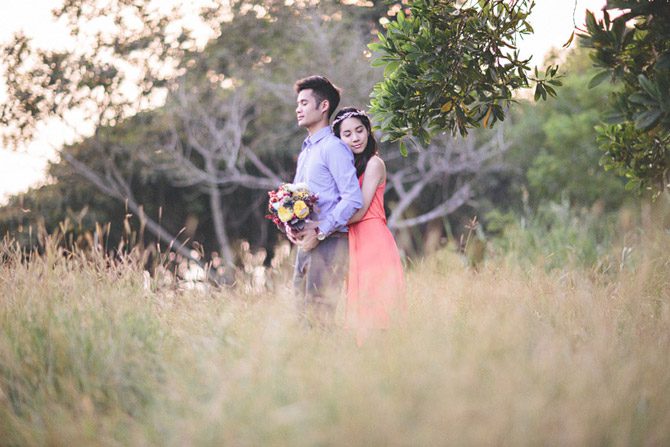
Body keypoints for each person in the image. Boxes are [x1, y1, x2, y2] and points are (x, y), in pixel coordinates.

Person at [287, 76, 363, 326]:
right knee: (300, 318)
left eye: (304, 103)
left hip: (331, 243)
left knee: (319, 319)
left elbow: (352, 198)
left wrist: (319, 231)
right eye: (298, 103)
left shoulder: (333, 148)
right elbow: (297, 197)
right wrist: (291, 225)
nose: (298, 109)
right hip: (306, 244)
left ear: (324, 106)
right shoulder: (307, 150)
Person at [332, 107, 405, 344]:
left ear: (368, 131)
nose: (355, 138)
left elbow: (361, 209)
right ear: (339, 139)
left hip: (373, 237)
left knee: (378, 307)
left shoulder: (374, 163)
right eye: (347, 134)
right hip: (354, 239)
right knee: (360, 310)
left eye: (359, 130)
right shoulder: (346, 168)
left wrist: (324, 225)